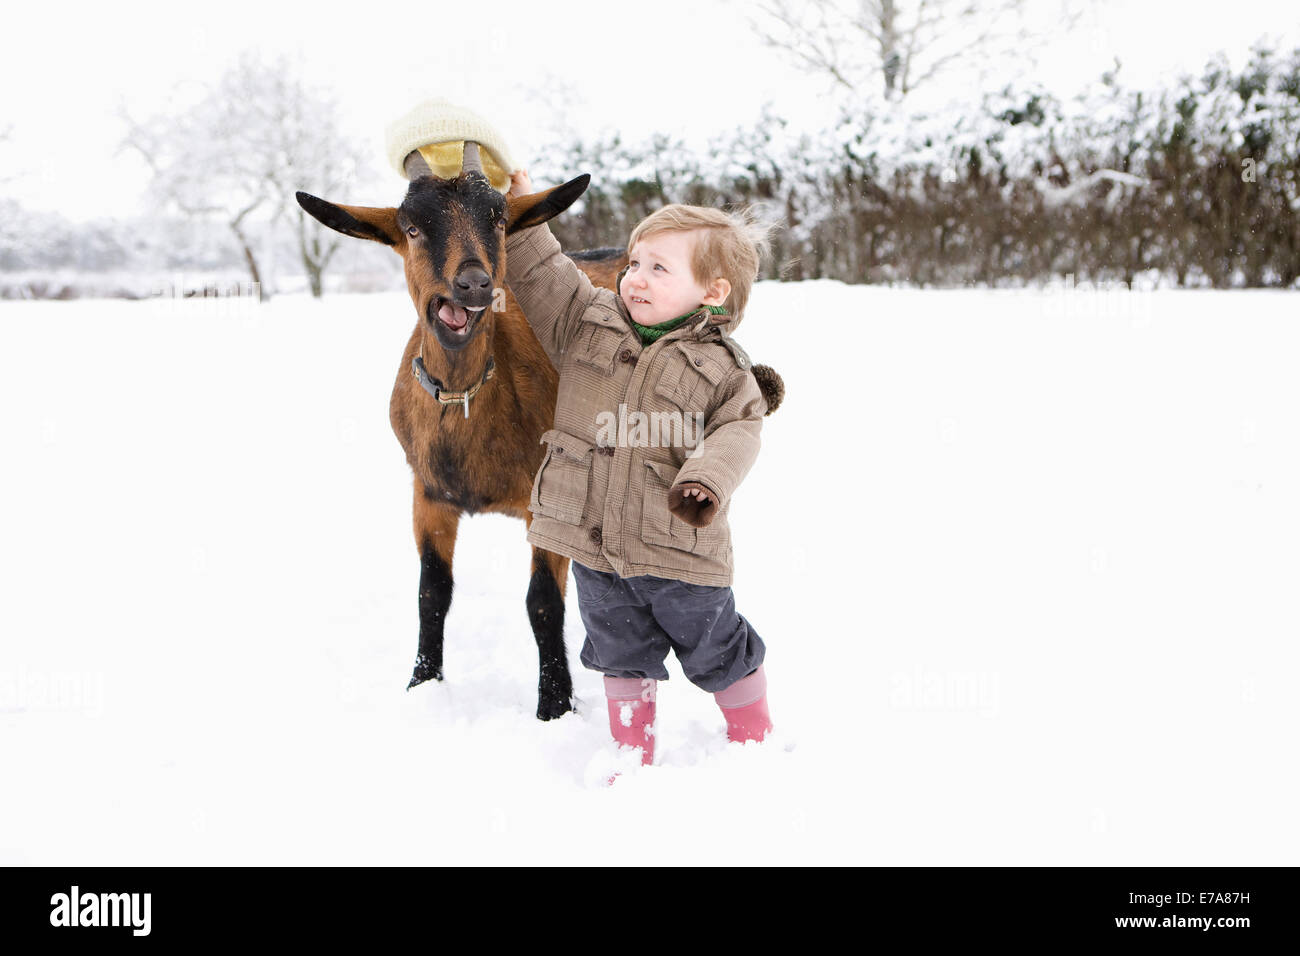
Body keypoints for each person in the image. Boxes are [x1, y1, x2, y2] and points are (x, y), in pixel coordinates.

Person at [506, 169, 783, 766]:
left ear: (713, 292)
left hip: (679, 548)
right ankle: (632, 753)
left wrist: (705, 480)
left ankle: (754, 740)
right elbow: (541, 273)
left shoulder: (722, 370)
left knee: (715, 649)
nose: (635, 277)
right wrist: (525, 214)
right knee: (616, 650)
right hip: (593, 542)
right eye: (635, 263)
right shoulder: (585, 324)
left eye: (660, 268)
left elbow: (738, 432)